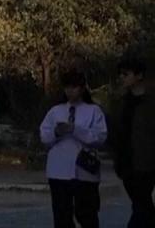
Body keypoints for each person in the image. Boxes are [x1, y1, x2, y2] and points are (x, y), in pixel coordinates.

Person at [39, 70, 108, 228]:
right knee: (61, 216)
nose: (70, 91)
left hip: (85, 172)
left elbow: (100, 137)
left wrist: (75, 130)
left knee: (87, 215)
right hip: (58, 171)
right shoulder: (55, 111)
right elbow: (44, 136)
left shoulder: (94, 111)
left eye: (74, 87)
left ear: (82, 88)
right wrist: (56, 132)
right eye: (67, 87)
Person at [113, 55, 155, 228]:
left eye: (126, 74)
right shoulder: (122, 102)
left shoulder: (150, 102)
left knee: (142, 207)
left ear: (139, 75)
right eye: (121, 74)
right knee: (142, 207)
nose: (122, 78)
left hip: (147, 163)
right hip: (126, 163)